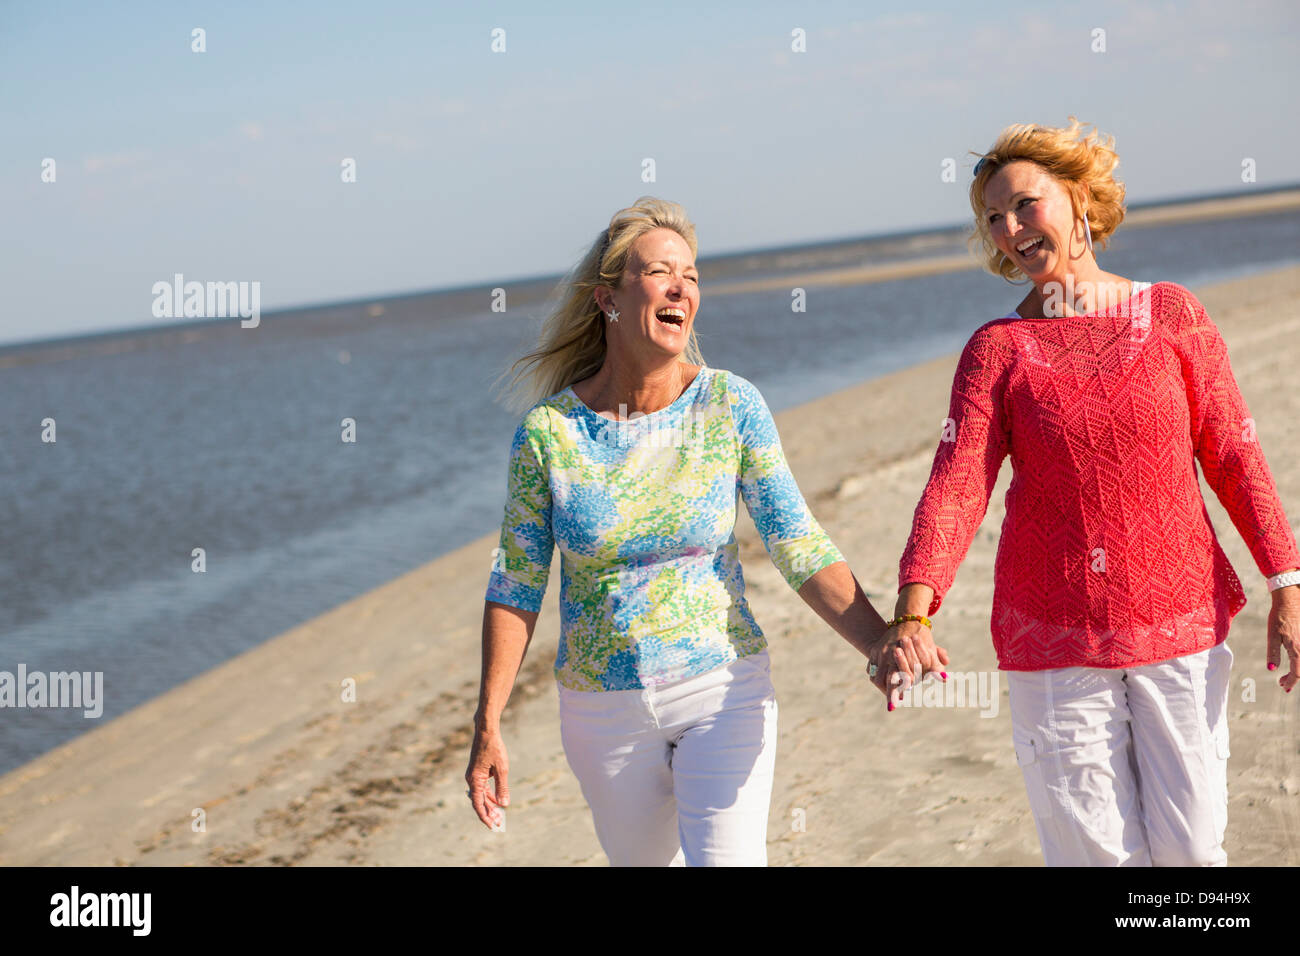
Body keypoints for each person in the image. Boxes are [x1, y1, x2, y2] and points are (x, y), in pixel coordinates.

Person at [466, 196, 940, 866]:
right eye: (660, 272)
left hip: (723, 688)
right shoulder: (549, 434)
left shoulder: (730, 405)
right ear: (608, 299)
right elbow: (516, 584)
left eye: (691, 275)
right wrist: (488, 722)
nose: (680, 288)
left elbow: (793, 538)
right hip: (604, 713)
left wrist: (879, 643)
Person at [894, 118, 1300, 866]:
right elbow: (956, 486)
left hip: (1180, 619)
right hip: (1052, 638)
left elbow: (1234, 452)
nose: (1010, 229)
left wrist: (1286, 579)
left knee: (1194, 852)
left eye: (1025, 204)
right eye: (993, 218)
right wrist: (913, 609)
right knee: (1094, 857)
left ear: (1079, 198)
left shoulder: (1173, 314)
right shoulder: (997, 351)